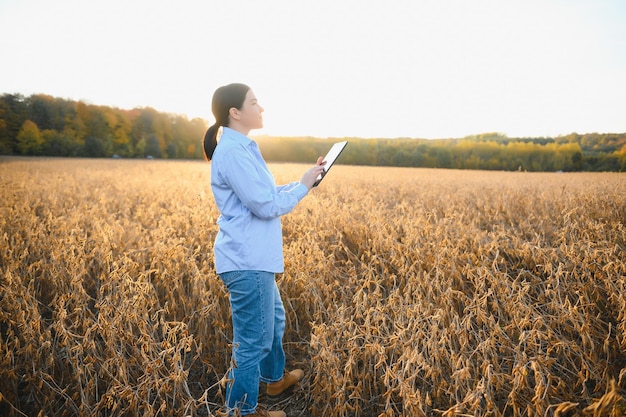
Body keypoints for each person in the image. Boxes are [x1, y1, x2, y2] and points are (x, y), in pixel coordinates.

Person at [203, 83, 325, 417]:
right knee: (252, 341)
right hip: (246, 259)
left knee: (273, 321)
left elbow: (265, 193)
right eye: (255, 102)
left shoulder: (241, 147)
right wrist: (301, 188)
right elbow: (264, 205)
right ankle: (241, 411)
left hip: (253, 257)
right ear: (235, 112)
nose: (262, 108)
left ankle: (273, 379)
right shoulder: (232, 152)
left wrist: (305, 181)